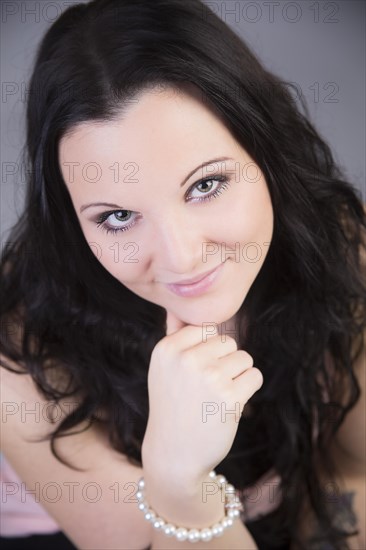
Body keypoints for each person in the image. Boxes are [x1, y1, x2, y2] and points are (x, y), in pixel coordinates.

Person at [0, 0, 365, 548]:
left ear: (266, 153)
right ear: (73, 225)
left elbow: (352, 477)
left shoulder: (337, 243)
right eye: (118, 217)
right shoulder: (19, 345)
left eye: (206, 185)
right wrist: (175, 475)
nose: (181, 258)